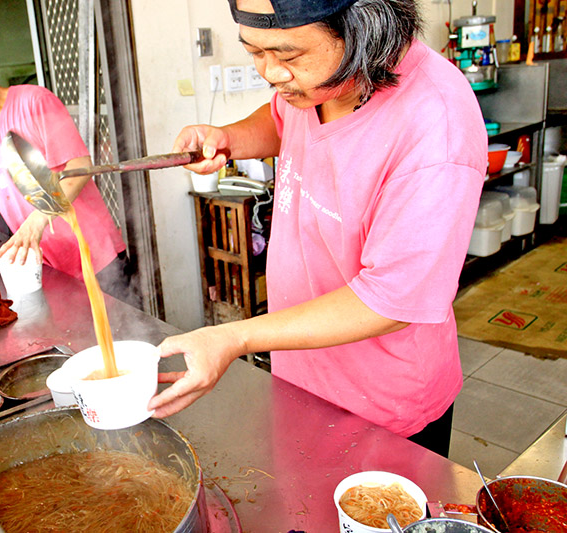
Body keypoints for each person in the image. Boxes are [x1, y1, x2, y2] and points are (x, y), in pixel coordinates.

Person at [148, 0, 487, 457]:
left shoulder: (435, 122)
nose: (270, 73)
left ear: (364, 31)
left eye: (288, 57)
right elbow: (278, 120)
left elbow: (392, 299)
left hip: (383, 409)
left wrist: (233, 336)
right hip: (302, 381)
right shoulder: (312, 88)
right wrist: (227, 138)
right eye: (254, 52)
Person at [0, 23, 129, 298]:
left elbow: (78, 168)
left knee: (125, 335)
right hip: (48, 271)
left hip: (97, 258)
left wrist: (36, 221)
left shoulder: (34, 103)